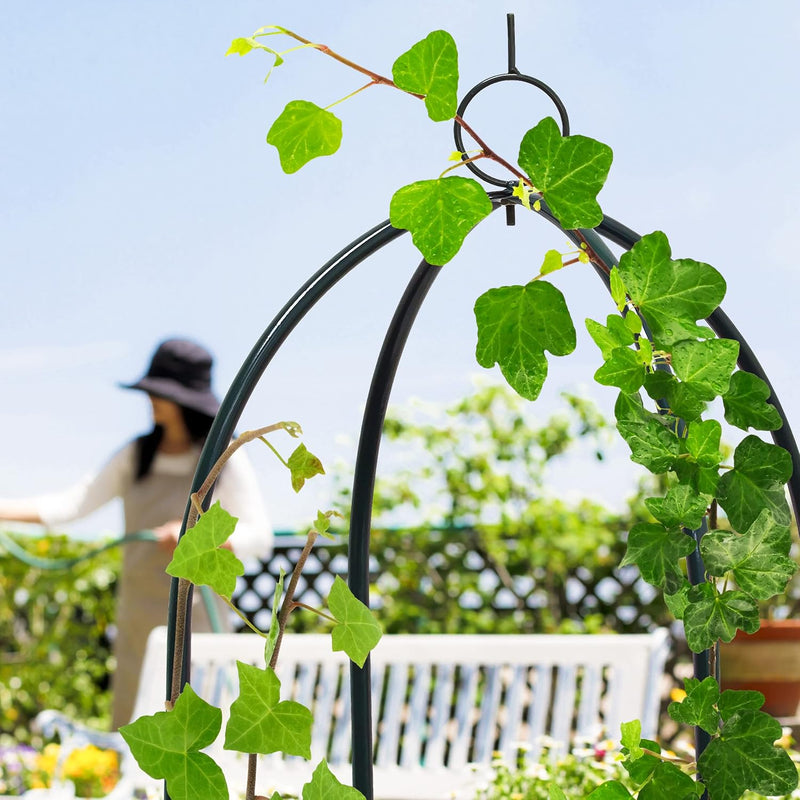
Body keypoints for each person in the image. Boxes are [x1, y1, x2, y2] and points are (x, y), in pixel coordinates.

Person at [0, 338, 272, 728]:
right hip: (138, 620)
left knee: (199, 731)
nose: (151, 401)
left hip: (197, 619)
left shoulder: (223, 457)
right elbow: (73, 505)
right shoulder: (135, 455)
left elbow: (259, 535)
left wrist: (195, 538)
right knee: (138, 733)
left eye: (161, 393)